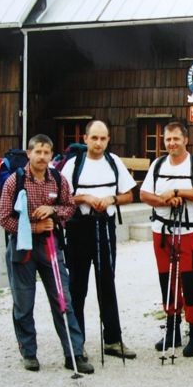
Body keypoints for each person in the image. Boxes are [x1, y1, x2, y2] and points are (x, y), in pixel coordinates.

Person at [0, 134, 93, 374]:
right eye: (37, 152)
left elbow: (70, 207)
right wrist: (33, 227)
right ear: (29, 153)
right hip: (22, 246)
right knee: (23, 301)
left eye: (46, 152)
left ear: (51, 155)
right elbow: (3, 218)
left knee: (63, 298)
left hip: (50, 245)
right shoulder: (14, 182)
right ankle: (29, 353)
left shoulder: (58, 180)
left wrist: (53, 210)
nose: (41, 157)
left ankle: (74, 352)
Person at [61, 120, 137, 360]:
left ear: (108, 139)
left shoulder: (114, 163)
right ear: (85, 139)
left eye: (103, 138)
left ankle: (113, 340)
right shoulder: (73, 165)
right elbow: (63, 199)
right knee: (78, 286)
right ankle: (77, 342)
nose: (98, 143)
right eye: (94, 138)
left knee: (106, 283)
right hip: (78, 229)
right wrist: (83, 197)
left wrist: (111, 199)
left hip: (105, 226)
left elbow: (128, 195)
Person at [140, 121, 193, 357]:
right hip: (161, 232)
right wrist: (164, 200)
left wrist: (177, 193)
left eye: (176, 139)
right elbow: (144, 194)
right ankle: (172, 330)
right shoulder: (158, 164)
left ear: (186, 140)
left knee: (190, 283)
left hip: (188, 231)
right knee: (167, 281)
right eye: (168, 139)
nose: (172, 143)